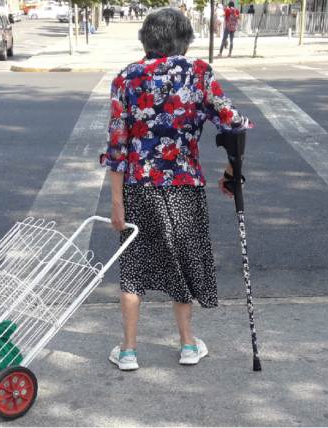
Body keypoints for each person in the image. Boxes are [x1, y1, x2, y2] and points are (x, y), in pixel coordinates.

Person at [101, 8, 252, 372]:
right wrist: (232, 173)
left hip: (139, 187)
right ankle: (187, 345)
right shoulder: (198, 73)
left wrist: (117, 204)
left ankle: (128, 351)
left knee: (134, 267)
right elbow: (234, 125)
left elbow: (117, 147)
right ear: (184, 39)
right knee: (182, 264)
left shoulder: (126, 78)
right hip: (184, 186)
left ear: (145, 38)